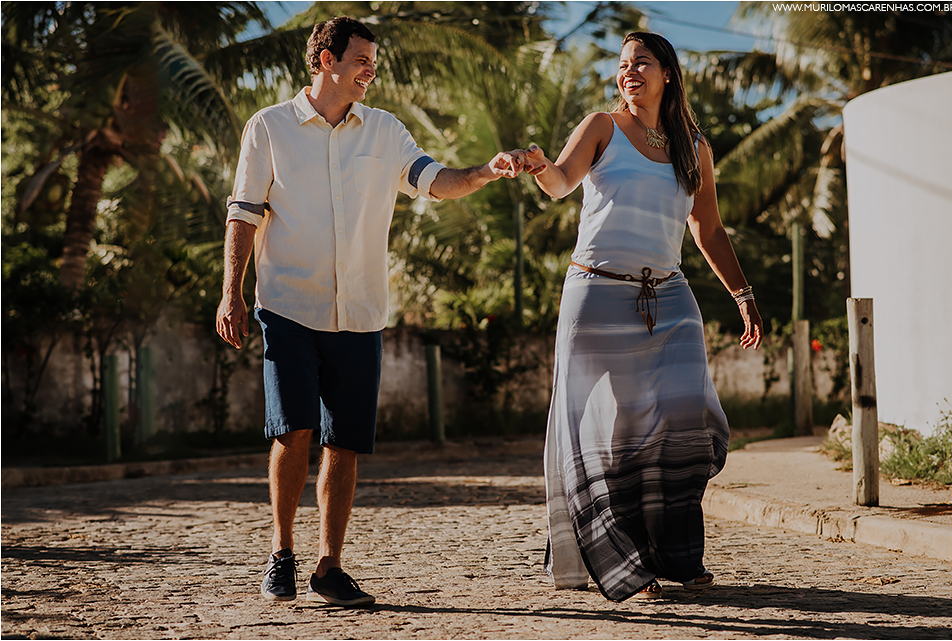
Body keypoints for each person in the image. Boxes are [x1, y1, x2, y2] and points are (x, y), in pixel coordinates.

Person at [216, 16, 524, 608]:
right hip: (286, 306)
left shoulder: (385, 131)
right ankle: (281, 552)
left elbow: (434, 181)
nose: (370, 69)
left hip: (360, 311)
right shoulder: (269, 128)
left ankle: (330, 566)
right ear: (324, 59)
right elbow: (244, 212)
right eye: (360, 58)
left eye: (371, 61)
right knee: (294, 429)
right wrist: (231, 290)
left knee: (346, 442)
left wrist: (488, 170)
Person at [518, 32, 763, 602]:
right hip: (596, 293)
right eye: (623, 64)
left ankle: (680, 556)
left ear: (668, 74)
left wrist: (743, 293)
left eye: (642, 63)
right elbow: (559, 183)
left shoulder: (693, 146)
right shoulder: (602, 126)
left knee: (682, 426)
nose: (629, 72)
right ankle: (625, 561)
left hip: (670, 299)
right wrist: (537, 165)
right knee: (605, 433)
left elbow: (708, 228)